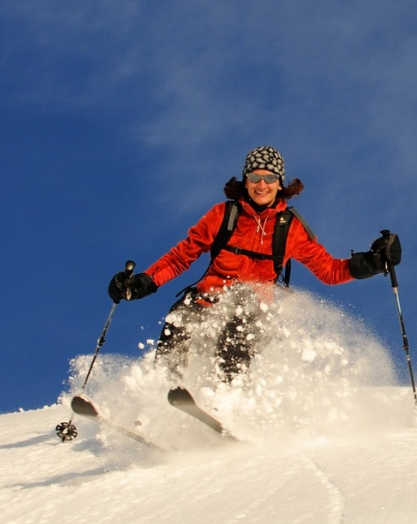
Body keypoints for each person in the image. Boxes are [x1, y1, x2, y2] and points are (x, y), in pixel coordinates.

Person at [108, 145, 400, 382]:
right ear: (245, 182)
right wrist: (142, 283)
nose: (262, 185)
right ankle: (164, 394)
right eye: (255, 178)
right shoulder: (223, 215)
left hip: (253, 309)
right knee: (179, 321)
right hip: (207, 299)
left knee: (238, 330)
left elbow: (330, 271)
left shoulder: (291, 227)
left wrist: (374, 262)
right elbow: (182, 256)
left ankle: (228, 400)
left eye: (270, 178)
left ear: (280, 183)